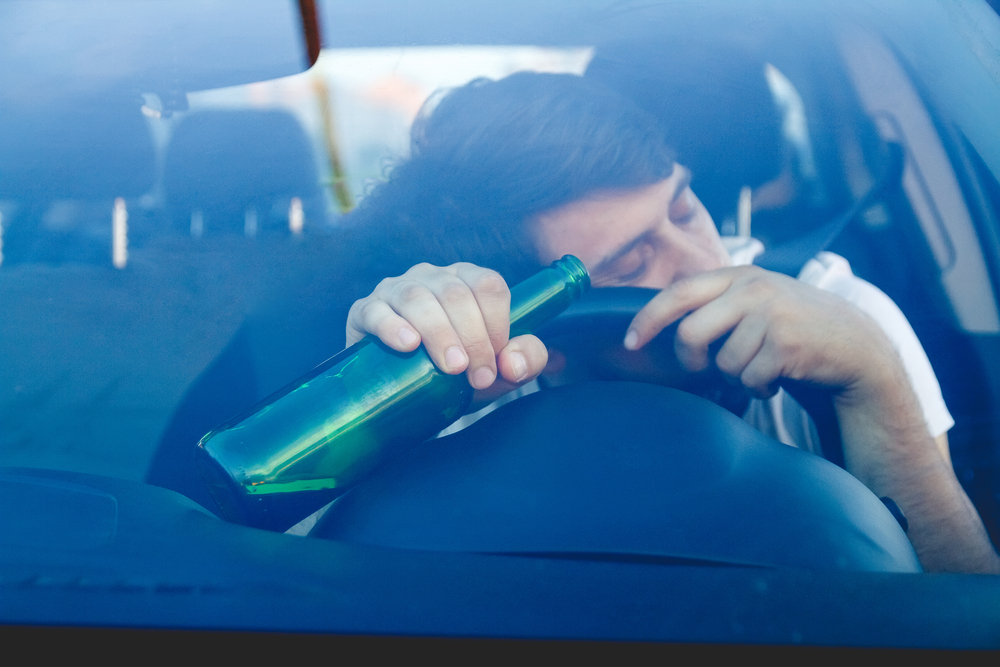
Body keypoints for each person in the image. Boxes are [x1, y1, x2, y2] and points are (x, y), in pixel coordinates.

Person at [343, 72, 1000, 574]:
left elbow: (967, 605)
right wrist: (372, 399)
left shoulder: (835, 312)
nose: (701, 264)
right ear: (537, 331)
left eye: (684, 209)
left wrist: (876, 377)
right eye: (634, 261)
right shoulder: (468, 374)